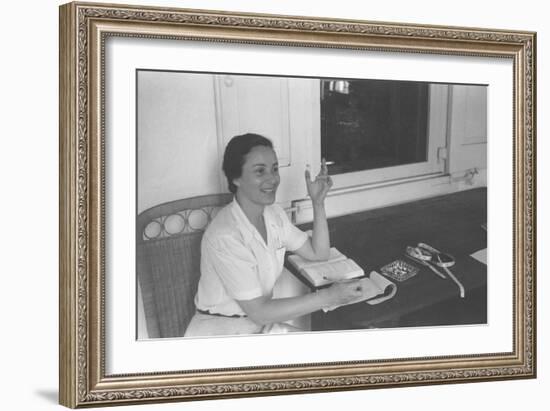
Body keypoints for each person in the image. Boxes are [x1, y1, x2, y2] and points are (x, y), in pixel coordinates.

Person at [184, 133, 364, 337]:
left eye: (275, 169)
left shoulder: (274, 214)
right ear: (236, 178)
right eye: (260, 171)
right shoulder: (225, 236)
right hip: (220, 332)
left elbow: (318, 253)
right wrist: (329, 297)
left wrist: (318, 203)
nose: (272, 179)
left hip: (260, 325)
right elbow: (259, 312)